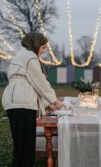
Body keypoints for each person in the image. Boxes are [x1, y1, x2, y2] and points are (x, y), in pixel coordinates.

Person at [2, 32, 64, 167]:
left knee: (23, 146)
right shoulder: (30, 56)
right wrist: (55, 101)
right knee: (24, 147)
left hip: (17, 101)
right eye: (43, 47)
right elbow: (40, 82)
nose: (44, 50)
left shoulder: (23, 55)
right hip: (20, 103)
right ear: (35, 44)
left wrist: (46, 104)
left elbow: (33, 84)